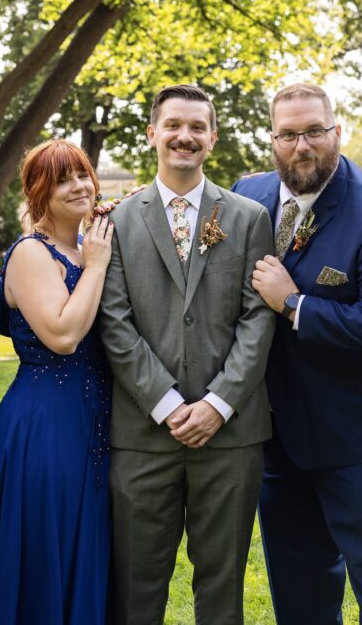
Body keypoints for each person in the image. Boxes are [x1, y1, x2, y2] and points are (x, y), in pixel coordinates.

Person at [232, 83, 362, 624]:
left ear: (336, 132)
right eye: (289, 134)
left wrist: (293, 304)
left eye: (314, 131)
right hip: (278, 442)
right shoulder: (246, 195)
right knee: (299, 601)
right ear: (272, 139)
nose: (303, 146)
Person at [98, 84, 274, 624]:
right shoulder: (116, 222)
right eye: (174, 125)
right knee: (134, 586)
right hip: (142, 435)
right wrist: (168, 403)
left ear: (213, 138)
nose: (185, 136)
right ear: (152, 134)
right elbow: (114, 320)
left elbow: (259, 317)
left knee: (222, 588)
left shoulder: (246, 218)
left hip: (231, 437)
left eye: (198, 127)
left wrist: (218, 403)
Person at [0, 139, 114, 624]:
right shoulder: (32, 252)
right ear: (38, 191)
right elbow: (64, 334)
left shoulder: (86, 244)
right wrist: (94, 267)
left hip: (92, 420)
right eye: (62, 179)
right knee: (42, 554)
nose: (78, 187)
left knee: (81, 546)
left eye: (82, 175)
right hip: (42, 428)